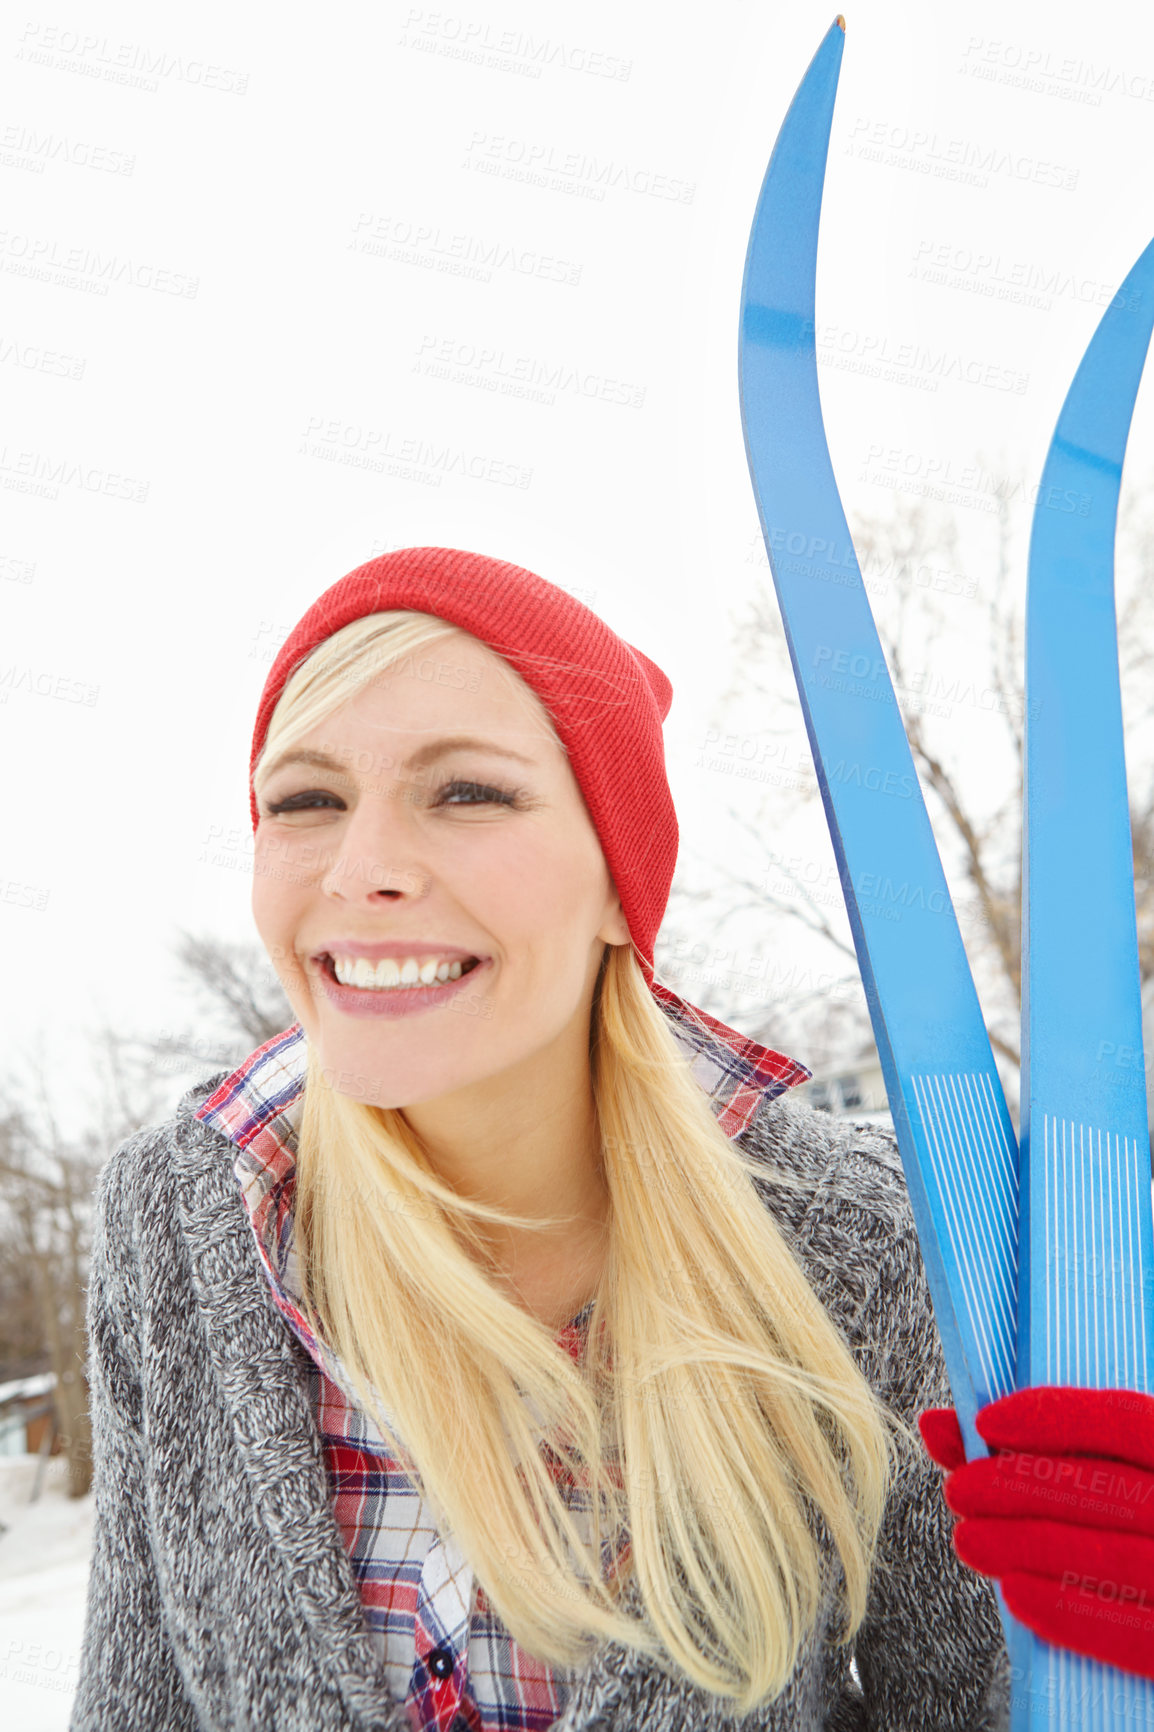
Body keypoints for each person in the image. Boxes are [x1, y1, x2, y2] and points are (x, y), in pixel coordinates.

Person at [70, 544, 1019, 1731]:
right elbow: (134, 1702)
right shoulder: (183, 1217)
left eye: (467, 791)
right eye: (305, 799)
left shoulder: (866, 1244)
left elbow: (972, 1703)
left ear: (624, 885)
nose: (360, 869)